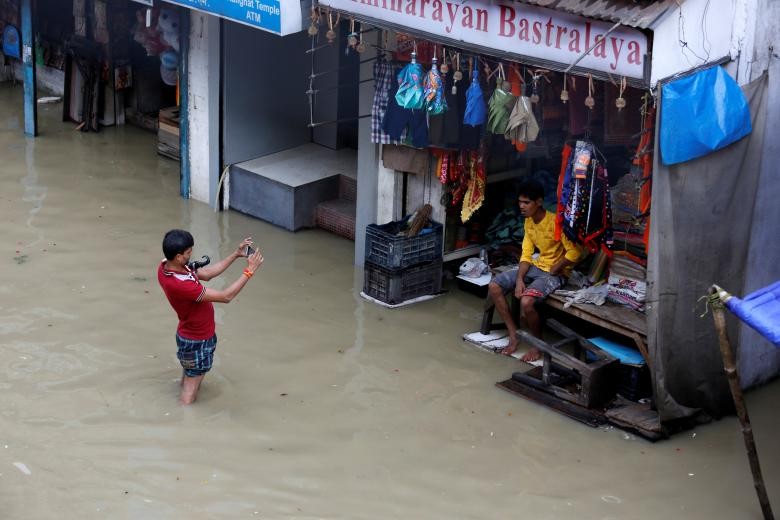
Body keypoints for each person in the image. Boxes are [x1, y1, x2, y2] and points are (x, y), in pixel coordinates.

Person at [157, 229, 264, 405]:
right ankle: (186, 422)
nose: (191, 255)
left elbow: (207, 274)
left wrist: (236, 254)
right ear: (178, 256)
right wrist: (249, 271)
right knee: (190, 391)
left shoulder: (166, 267)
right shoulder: (182, 285)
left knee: (189, 377)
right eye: (188, 252)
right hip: (198, 340)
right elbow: (226, 297)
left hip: (188, 336)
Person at [488, 179, 581, 362]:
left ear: (538, 202)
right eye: (520, 202)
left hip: (556, 274)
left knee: (527, 302)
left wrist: (558, 266)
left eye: (526, 202)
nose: (521, 206)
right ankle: (513, 335)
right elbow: (526, 254)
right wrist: (520, 279)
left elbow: (575, 252)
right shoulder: (529, 222)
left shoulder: (556, 222)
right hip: (537, 266)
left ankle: (537, 345)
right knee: (494, 286)